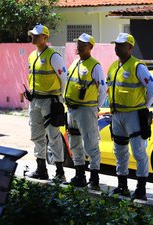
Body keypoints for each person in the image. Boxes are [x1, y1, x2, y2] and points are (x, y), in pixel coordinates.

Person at [106, 33, 153, 200]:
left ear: (130, 47)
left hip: (134, 115)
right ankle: (122, 186)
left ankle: (141, 189)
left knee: (138, 152)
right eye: (116, 44)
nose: (117, 47)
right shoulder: (114, 66)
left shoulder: (138, 66)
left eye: (121, 45)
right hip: (117, 115)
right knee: (119, 151)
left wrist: (144, 109)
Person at [64, 33, 107, 190]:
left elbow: (103, 90)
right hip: (72, 110)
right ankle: (79, 175)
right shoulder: (75, 63)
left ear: (90, 47)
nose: (79, 46)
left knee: (91, 144)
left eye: (83, 44)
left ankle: (94, 177)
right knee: (74, 143)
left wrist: (95, 107)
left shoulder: (95, 66)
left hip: (86, 110)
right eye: (78, 44)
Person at [25, 24, 68, 182]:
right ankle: (41, 169)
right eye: (32, 35)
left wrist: (59, 98)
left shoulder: (53, 56)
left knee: (53, 136)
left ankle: (59, 172)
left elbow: (64, 78)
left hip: (50, 101)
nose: (33, 37)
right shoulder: (31, 55)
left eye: (36, 35)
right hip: (35, 100)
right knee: (36, 136)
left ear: (45, 37)